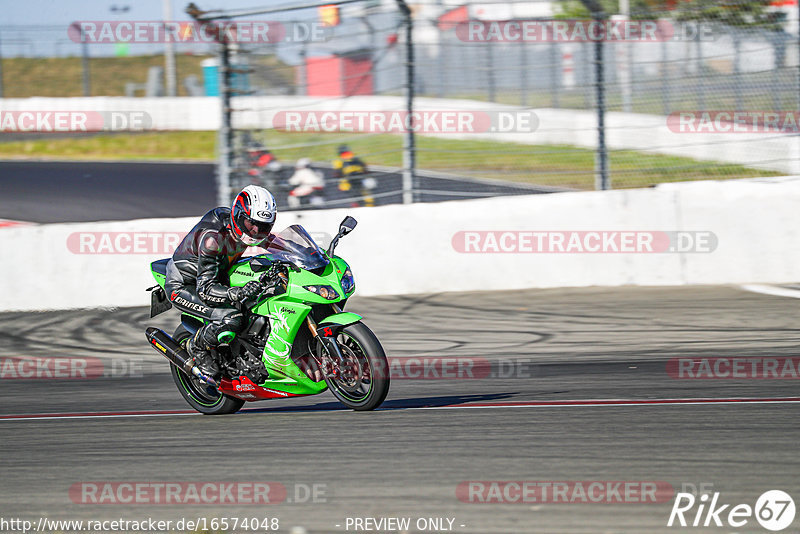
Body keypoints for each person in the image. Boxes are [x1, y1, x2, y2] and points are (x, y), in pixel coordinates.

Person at [165, 185, 278, 376]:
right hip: (186, 284)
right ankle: (197, 348)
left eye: (263, 226)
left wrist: (311, 256)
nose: (256, 230)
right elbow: (206, 289)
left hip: (217, 275)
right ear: (239, 216)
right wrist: (236, 293)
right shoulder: (213, 240)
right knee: (231, 318)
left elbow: (277, 243)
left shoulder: (248, 228)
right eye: (252, 224)